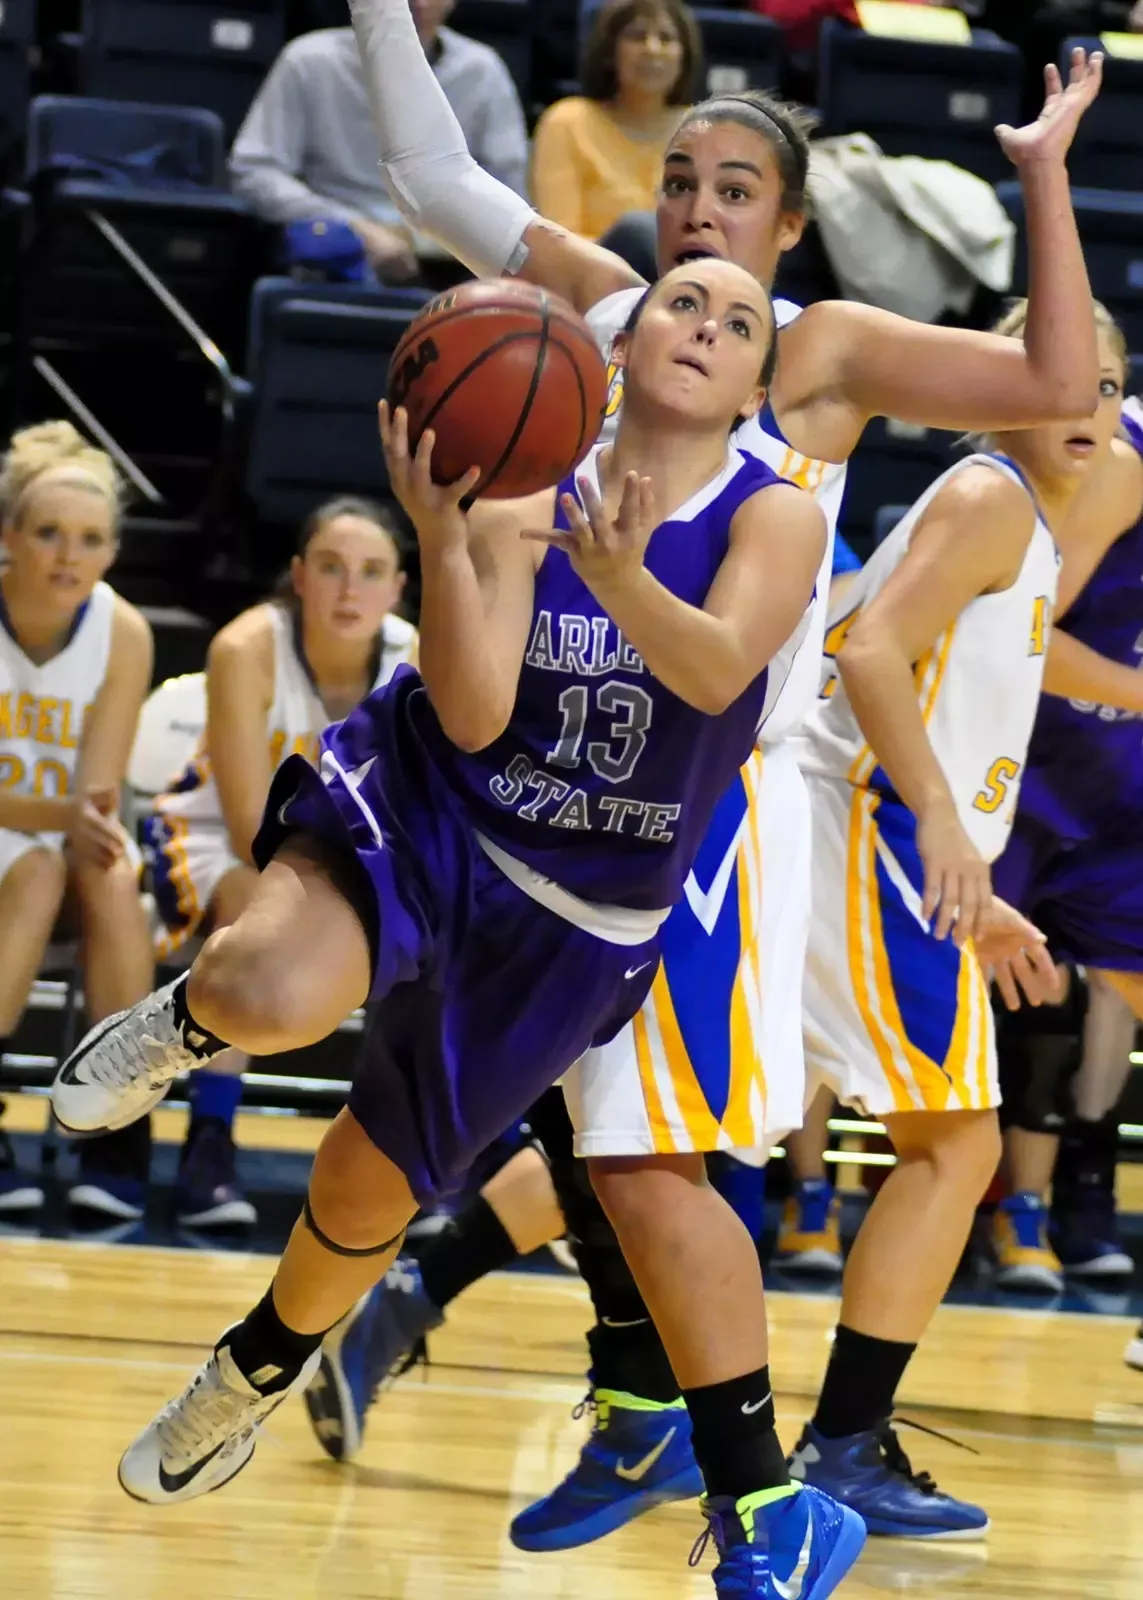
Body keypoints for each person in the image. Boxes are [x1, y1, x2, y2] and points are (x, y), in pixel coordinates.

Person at [280, 0, 1101, 1568]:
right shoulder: (608, 316)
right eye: (677, 183)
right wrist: (384, 12)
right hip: (581, 777)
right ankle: (669, 1411)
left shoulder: (823, 349)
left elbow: (1058, 370)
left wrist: (1046, 176)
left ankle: (711, 1444)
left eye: (733, 189)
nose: (696, 209)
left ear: (788, 226)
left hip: (735, 798)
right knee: (592, 1113)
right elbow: (428, 166)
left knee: (642, 1133)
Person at [52, 259, 879, 1600]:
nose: (706, 329)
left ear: (755, 382)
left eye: (740, 324)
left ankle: (253, 1369)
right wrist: (444, 535)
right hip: (445, 803)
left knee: (363, 1191)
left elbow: (719, 667)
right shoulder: (525, 477)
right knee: (267, 984)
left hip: (579, 911)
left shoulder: (770, 514)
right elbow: (482, 713)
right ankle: (188, 1020)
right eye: (683, 303)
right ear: (620, 340)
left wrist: (616, 578)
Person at [786, 297, 1127, 1537]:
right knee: (958, 1148)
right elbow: (867, 649)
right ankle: (839, 1442)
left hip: (885, 843)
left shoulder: (1019, 517)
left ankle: (418, 1282)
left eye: (1107, 386)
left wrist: (973, 886)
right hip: (870, 836)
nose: (1090, 405)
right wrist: (941, 829)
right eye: (1065, 377)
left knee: (700, 1121)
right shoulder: (990, 498)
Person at [139, 497, 415, 1228]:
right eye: (329, 567)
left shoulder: (416, 657)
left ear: (398, 587)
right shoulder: (244, 648)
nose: (348, 589)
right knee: (253, 911)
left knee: (428, 936)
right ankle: (209, 1141)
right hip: (211, 841)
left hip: (348, 865)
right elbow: (242, 826)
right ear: (297, 575)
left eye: (370, 572)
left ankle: (405, 1159)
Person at [986, 383, 1143, 1316]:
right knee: (1004, 996)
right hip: (1015, 760)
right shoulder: (1120, 466)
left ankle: (1065, 1192)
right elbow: (1028, 641)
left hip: (1111, 774)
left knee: (1108, 998)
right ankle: (1011, 1203)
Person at [0, 422, 153, 1216]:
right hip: (23, 850)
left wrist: (61, 819)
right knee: (36, 868)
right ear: (9, 538)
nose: (68, 555)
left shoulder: (121, 631)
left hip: (51, 839)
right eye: (49, 533)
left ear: (110, 555)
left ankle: (120, 1124)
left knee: (109, 868)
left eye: (89, 539)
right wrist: (56, 817)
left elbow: (89, 806)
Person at [229, 0, 528, 284]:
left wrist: (433, 238)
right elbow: (254, 170)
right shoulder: (309, 60)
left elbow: (509, 189)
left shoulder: (483, 71)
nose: (419, 4)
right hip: (337, 252)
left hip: (448, 259)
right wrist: (357, 229)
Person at [531, 0, 701, 241]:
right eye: (637, 36)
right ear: (610, 51)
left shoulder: (703, 130)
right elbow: (558, 239)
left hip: (686, 274)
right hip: (589, 274)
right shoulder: (567, 122)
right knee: (635, 231)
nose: (652, 48)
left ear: (684, 56)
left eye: (666, 38)